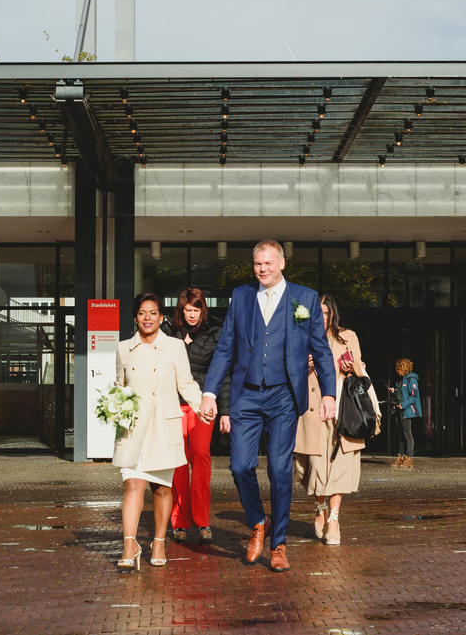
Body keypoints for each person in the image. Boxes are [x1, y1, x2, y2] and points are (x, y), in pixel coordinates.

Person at [200, 239, 336, 572]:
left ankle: (278, 543)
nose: (263, 269)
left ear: (282, 263)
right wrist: (209, 392)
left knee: (279, 470)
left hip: (284, 396)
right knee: (240, 466)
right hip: (246, 394)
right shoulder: (242, 296)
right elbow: (225, 349)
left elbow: (320, 350)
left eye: (269, 263)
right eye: (258, 263)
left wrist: (330, 393)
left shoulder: (303, 298)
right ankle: (257, 521)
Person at [113, 292, 203, 571]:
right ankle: (130, 544)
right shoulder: (123, 348)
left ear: (161, 317)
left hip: (162, 426)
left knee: (162, 488)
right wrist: (115, 406)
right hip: (133, 428)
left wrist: (202, 407)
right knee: (132, 484)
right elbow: (120, 386)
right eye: (142, 313)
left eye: (152, 313)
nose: (147, 318)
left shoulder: (175, 347)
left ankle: (159, 541)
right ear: (136, 317)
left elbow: (185, 384)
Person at [293, 294, 380, 545]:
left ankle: (334, 519)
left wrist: (350, 366)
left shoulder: (347, 337)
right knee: (315, 467)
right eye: (317, 312)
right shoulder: (301, 337)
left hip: (343, 410)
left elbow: (361, 368)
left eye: (326, 312)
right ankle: (320, 509)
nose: (322, 317)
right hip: (312, 411)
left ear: (333, 314)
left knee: (341, 465)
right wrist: (302, 365)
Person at [162, 286, 226, 543]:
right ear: (181, 309)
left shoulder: (215, 332)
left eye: (196, 310)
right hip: (173, 404)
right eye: (188, 310)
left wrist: (226, 410)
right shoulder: (168, 331)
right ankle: (179, 522)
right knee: (178, 462)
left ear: (203, 309)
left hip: (201, 404)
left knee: (200, 457)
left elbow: (224, 372)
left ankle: (202, 522)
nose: (192, 315)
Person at [388, 357, 421, 469]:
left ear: (404, 368)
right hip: (399, 409)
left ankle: (409, 459)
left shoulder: (411, 379)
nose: (397, 371)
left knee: (407, 434)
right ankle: (401, 458)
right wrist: (395, 390)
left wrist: (403, 405)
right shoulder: (402, 379)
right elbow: (403, 392)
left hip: (405, 410)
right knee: (401, 434)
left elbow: (414, 397)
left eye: (398, 369)